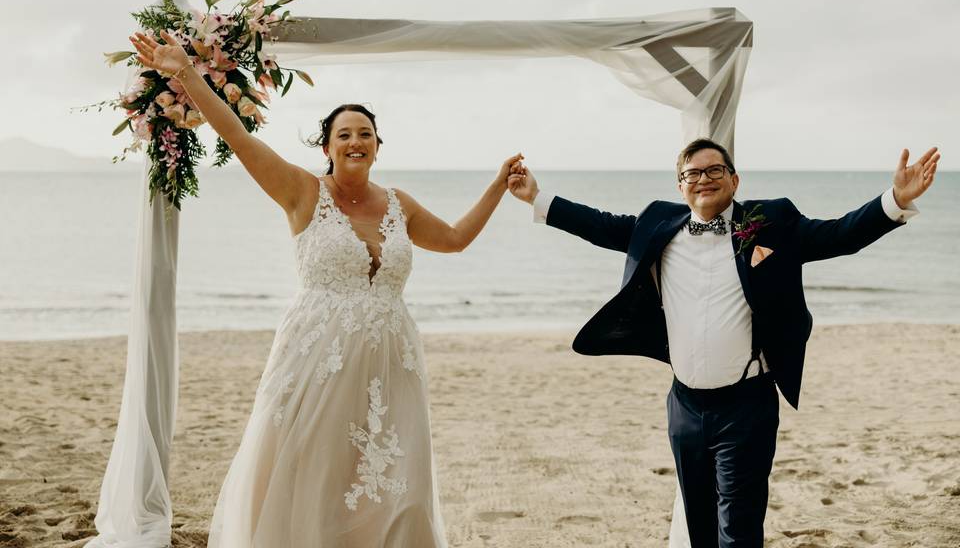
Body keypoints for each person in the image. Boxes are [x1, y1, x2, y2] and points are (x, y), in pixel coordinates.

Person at [130, 31, 522, 547]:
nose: (356, 141)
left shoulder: (399, 204)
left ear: (378, 147)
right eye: (344, 134)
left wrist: (497, 187)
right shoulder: (302, 192)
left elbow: (452, 239)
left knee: (399, 489)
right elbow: (239, 139)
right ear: (327, 147)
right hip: (316, 361)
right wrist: (185, 73)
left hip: (393, 365)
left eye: (365, 134)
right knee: (315, 479)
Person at [507, 138, 939, 548]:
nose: (704, 178)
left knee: (739, 527)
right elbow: (599, 225)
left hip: (746, 406)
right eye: (692, 173)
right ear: (680, 185)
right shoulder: (658, 224)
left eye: (716, 170)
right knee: (701, 524)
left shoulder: (769, 223)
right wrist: (537, 198)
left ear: (734, 180)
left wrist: (895, 200)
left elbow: (840, 235)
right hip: (684, 407)